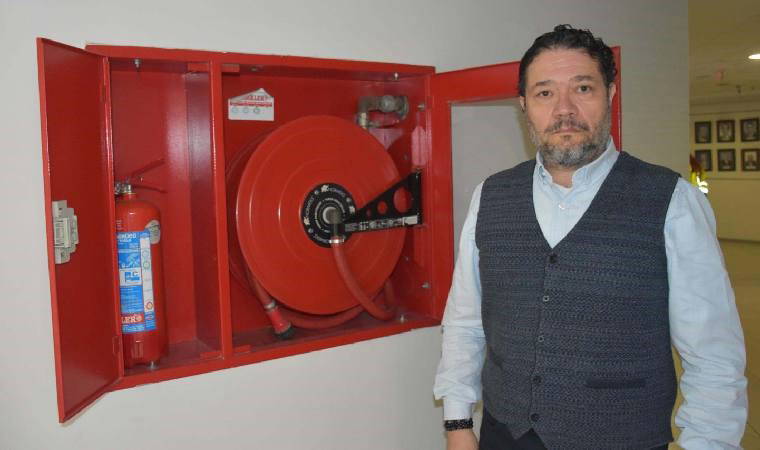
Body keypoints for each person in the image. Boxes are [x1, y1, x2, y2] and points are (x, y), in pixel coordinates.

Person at [434, 25, 747, 450]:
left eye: (582, 88)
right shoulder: (490, 196)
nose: (564, 109)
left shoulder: (672, 201)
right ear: (524, 105)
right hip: (504, 435)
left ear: (610, 94)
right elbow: (465, 322)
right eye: (545, 93)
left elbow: (713, 355)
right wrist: (457, 423)